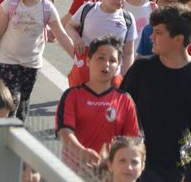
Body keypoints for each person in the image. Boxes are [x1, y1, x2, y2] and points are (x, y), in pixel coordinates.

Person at [120, 5, 191, 182]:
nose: (151, 37)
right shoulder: (141, 68)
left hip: (182, 166)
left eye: (158, 33)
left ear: (178, 39)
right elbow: (120, 109)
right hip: (140, 162)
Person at [56, 37, 141, 170]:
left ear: (118, 66)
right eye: (100, 58)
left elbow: (132, 141)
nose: (106, 64)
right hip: (76, 171)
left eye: (112, 60)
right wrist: (81, 152)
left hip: (110, 173)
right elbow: (65, 133)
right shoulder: (72, 95)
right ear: (88, 61)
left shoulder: (125, 100)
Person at [65, 0, 138, 86]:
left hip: (111, 75)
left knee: (109, 104)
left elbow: (128, 53)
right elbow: (69, 26)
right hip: (85, 72)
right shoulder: (88, 9)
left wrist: (128, 77)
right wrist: (76, 39)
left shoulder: (128, 19)